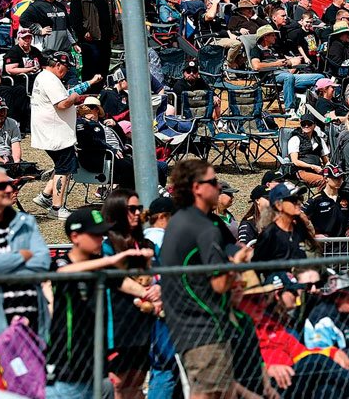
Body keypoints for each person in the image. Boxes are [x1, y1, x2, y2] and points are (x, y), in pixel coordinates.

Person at [159, 159, 253, 399]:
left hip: (184, 325)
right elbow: (219, 284)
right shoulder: (204, 227)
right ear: (197, 188)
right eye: (213, 182)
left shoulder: (178, 221)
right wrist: (237, 263)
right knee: (209, 394)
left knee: (219, 392)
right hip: (206, 327)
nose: (218, 187)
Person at [47, 207, 152, 399]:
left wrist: (151, 295)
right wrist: (112, 260)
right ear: (75, 237)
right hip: (66, 367)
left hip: (94, 364)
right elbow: (62, 274)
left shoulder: (100, 265)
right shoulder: (61, 263)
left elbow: (123, 283)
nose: (100, 239)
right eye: (95, 234)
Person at [237, 270, 349, 399]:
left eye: (262, 299)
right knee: (316, 361)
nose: (262, 304)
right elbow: (237, 365)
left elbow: (300, 351)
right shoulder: (238, 329)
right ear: (238, 300)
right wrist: (268, 368)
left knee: (327, 390)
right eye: (254, 300)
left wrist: (332, 352)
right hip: (266, 383)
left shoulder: (271, 323)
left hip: (292, 377)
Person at [0, 166, 49, 339]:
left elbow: (42, 262)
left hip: (33, 326)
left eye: (11, 185)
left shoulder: (26, 222)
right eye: (1, 186)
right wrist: (21, 256)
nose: (9, 190)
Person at [101, 190, 159, 399]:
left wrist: (158, 288)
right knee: (119, 384)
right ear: (117, 211)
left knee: (137, 381)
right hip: (118, 325)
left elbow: (161, 273)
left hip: (145, 322)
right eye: (131, 209)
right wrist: (146, 292)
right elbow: (114, 278)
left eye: (139, 208)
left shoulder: (146, 244)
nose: (137, 213)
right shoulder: (107, 244)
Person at [30, 51, 81, 220]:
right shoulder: (50, 80)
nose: (67, 71)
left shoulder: (43, 77)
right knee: (64, 168)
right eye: (66, 67)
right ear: (58, 65)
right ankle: (56, 208)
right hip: (55, 133)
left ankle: (45, 196)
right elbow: (62, 104)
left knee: (61, 165)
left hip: (51, 131)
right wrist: (74, 97)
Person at [250, 24, 324, 112]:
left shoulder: (274, 49)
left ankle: (315, 105)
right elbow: (256, 66)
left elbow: (284, 61)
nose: (275, 37)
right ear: (265, 37)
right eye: (273, 35)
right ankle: (290, 109)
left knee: (320, 77)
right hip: (270, 77)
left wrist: (288, 62)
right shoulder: (256, 50)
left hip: (286, 74)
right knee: (288, 77)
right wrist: (276, 64)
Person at [251, 181, 319, 263]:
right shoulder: (269, 234)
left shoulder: (300, 228)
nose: (299, 203)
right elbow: (258, 265)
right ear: (278, 205)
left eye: (300, 198)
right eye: (293, 200)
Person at [70, 0, 113, 89]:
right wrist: (83, 32)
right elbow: (74, 19)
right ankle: (89, 96)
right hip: (89, 41)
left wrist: (113, 32)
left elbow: (111, 16)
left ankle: (100, 95)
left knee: (103, 70)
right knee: (90, 71)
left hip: (105, 39)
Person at [287, 113, 329, 188]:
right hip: (301, 171)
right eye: (303, 124)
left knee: (335, 180)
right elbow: (295, 161)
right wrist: (312, 167)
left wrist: (331, 170)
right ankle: (321, 195)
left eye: (309, 124)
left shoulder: (319, 140)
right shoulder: (295, 139)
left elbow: (326, 161)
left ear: (314, 125)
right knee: (323, 181)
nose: (306, 126)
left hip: (318, 170)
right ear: (300, 125)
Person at [0, 97, 21, 164]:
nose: (2, 113)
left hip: (9, 158)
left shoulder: (13, 123)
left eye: (4, 110)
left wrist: (16, 162)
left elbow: (15, 144)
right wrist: (2, 161)